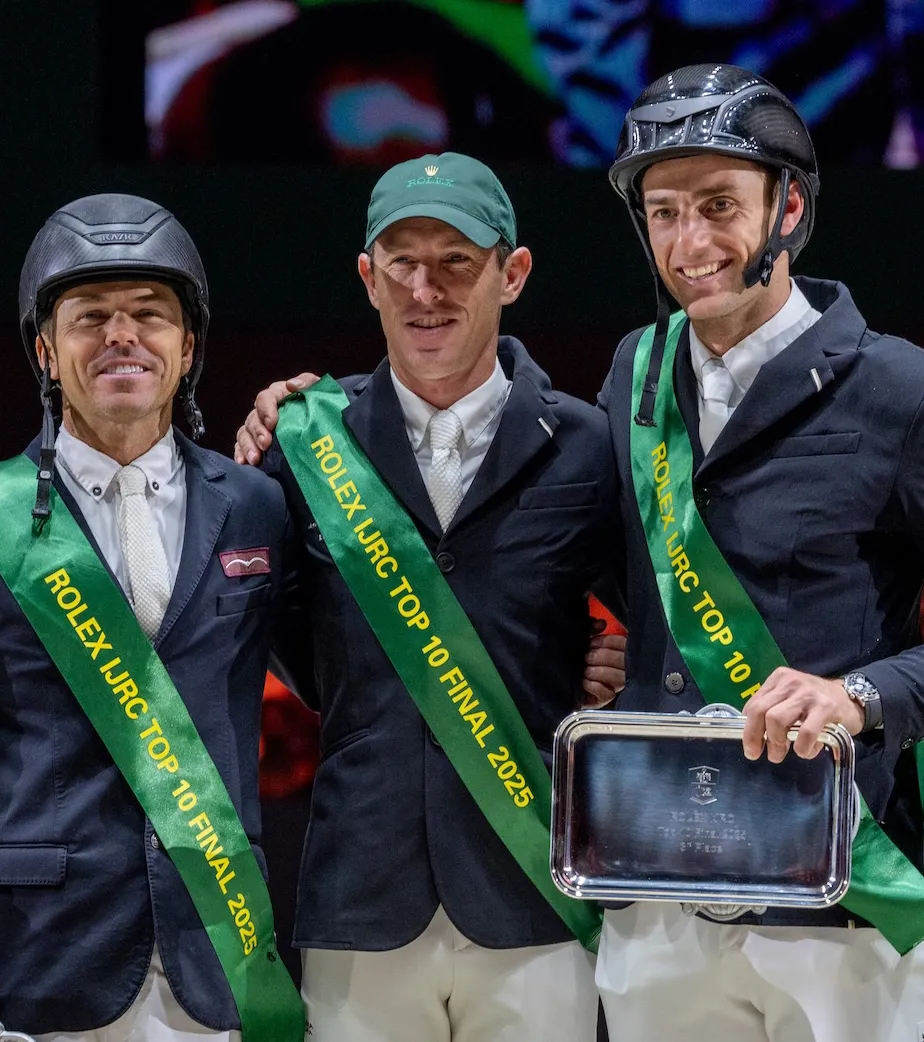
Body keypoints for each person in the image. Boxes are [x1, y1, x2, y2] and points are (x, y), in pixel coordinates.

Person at [585, 65, 924, 1041]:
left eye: (719, 206)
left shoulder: (910, 395)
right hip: (660, 893)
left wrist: (861, 697)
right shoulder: (634, 371)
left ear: (790, 206)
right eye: (663, 211)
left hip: (837, 904)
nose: (688, 242)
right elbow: (628, 565)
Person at [0, 195, 302, 1042]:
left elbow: (349, 667)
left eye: (150, 314)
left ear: (189, 348)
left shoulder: (258, 508)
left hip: (218, 962)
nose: (122, 336)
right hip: (34, 966)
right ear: (46, 348)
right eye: (90, 317)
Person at [237, 153, 620, 1042]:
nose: (425, 289)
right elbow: (290, 644)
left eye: (456, 259)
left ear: (512, 273)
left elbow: (663, 626)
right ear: (367, 279)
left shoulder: (587, 447)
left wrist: (627, 669)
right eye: (400, 262)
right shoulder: (305, 445)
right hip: (361, 899)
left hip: (534, 896)